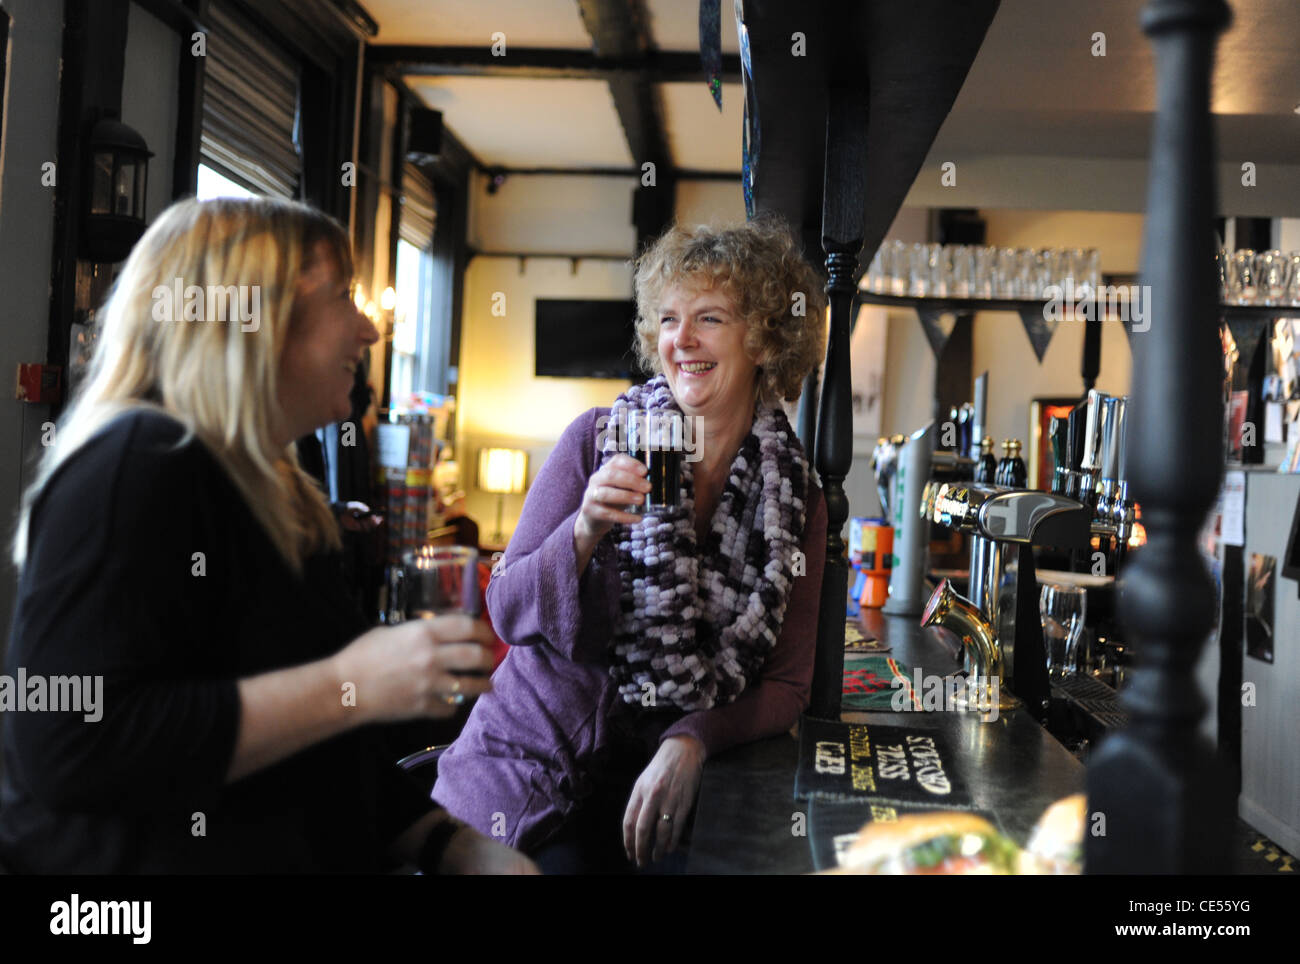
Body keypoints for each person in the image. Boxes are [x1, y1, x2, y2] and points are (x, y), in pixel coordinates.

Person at [0, 197, 536, 874]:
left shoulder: (277, 490)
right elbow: (71, 744)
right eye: (345, 296)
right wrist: (351, 682)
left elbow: (320, 757)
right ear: (257, 319)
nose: (369, 330)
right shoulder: (139, 460)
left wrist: (450, 843)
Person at [433, 216, 828, 872]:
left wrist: (692, 739)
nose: (682, 341)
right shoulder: (595, 439)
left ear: (762, 339)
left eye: (710, 318)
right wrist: (584, 528)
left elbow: (788, 683)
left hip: (655, 799)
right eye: (668, 320)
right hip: (521, 775)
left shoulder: (795, 498)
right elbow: (506, 607)